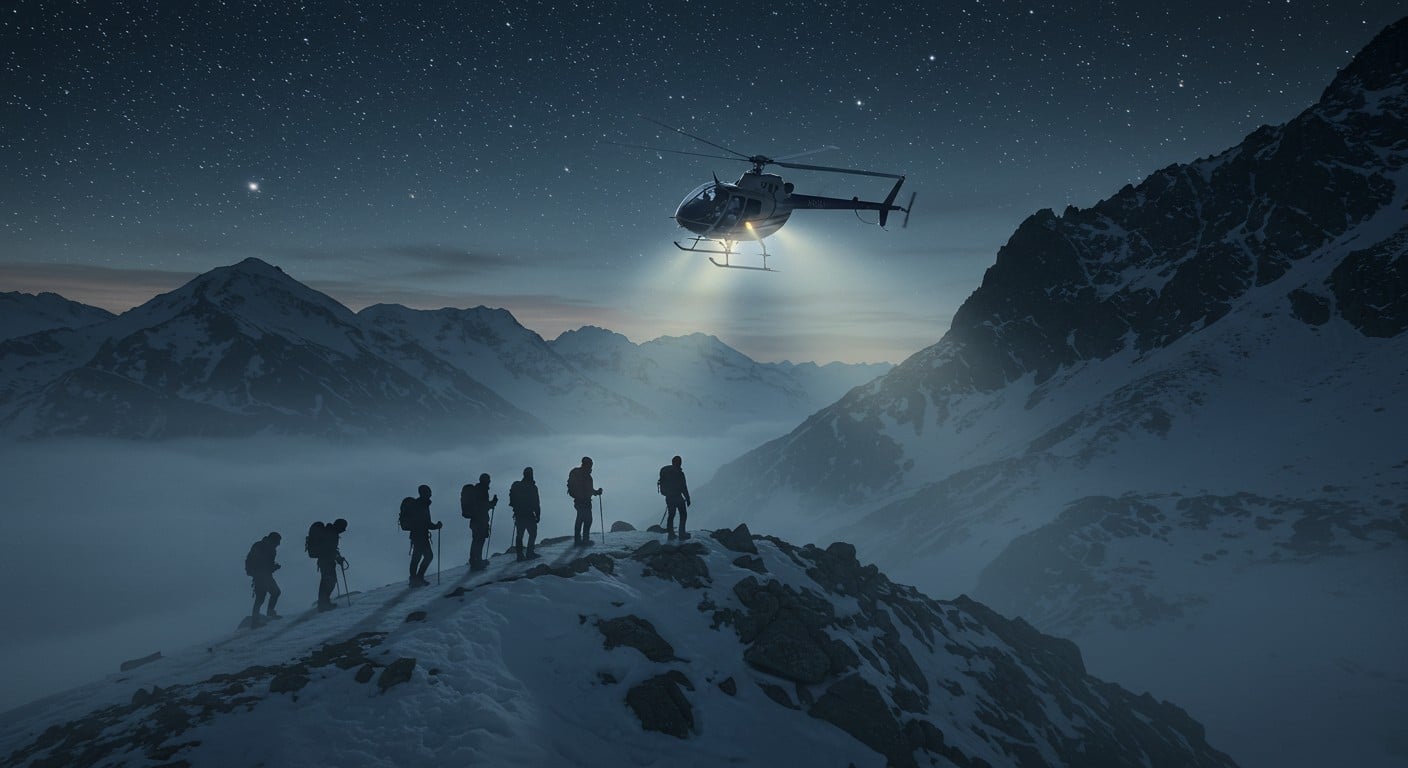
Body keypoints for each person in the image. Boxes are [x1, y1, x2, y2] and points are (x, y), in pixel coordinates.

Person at [405, 484, 443, 586]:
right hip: (420, 535)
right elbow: (425, 522)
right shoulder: (421, 504)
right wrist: (436, 526)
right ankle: (417, 578)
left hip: (418, 535)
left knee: (418, 557)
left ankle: (415, 579)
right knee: (426, 556)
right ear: (425, 493)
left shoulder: (422, 504)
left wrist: (434, 526)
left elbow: (425, 522)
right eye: (429, 492)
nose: (430, 494)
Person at [461, 473, 497, 571]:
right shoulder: (482, 490)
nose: (489, 482)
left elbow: (482, 506)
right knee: (479, 540)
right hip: (480, 520)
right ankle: (476, 561)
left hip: (475, 520)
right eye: (488, 480)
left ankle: (475, 560)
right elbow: (483, 506)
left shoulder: (477, 490)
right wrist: (492, 503)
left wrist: (491, 503)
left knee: (476, 540)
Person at [245, 532, 282, 624]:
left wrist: (272, 567)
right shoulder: (269, 548)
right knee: (272, 593)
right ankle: (259, 619)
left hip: (260, 575)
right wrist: (274, 567)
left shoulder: (261, 545)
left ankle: (257, 618)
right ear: (274, 540)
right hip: (262, 576)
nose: (279, 544)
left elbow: (264, 563)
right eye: (278, 541)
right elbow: (265, 564)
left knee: (262, 597)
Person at [567, 456, 602, 546]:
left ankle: (579, 540)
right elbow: (589, 490)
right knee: (586, 519)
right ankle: (582, 540)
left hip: (580, 501)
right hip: (583, 501)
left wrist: (596, 492)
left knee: (583, 519)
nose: (591, 467)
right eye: (590, 465)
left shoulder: (580, 474)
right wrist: (596, 492)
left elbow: (589, 490)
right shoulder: (585, 476)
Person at [315, 518, 348, 611]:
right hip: (327, 562)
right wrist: (338, 558)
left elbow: (331, 549)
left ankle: (323, 602)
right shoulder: (331, 533)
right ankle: (323, 604)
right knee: (329, 582)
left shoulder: (330, 532)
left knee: (327, 581)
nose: (343, 530)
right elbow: (330, 549)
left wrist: (337, 558)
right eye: (343, 528)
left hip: (325, 561)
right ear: (339, 526)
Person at [510, 467, 541, 561]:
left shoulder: (517, 486)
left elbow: (513, 501)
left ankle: (520, 555)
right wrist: (538, 515)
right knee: (532, 533)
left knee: (520, 534)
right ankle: (529, 553)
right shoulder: (532, 487)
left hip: (519, 514)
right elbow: (536, 502)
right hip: (528, 514)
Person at [658, 455, 692, 540]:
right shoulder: (679, 473)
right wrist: (687, 498)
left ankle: (671, 534)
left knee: (671, 515)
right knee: (683, 514)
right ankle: (682, 533)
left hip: (669, 497)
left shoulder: (667, 472)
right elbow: (684, 487)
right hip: (678, 497)